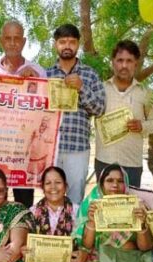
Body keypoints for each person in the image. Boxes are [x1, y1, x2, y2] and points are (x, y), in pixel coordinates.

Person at [0, 20, 46, 208]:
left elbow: (47, 110)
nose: (13, 43)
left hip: (25, 152)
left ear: (24, 42)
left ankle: (21, 237)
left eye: (17, 39)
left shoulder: (38, 71)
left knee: (23, 202)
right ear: (1, 41)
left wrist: (37, 82)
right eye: (8, 38)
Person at [75, 163, 153, 262]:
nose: (115, 185)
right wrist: (92, 222)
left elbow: (145, 247)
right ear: (101, 183)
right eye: (110, 181)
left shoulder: (137, 206)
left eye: (120, 181)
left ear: (126, 184)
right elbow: (85, 246)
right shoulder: (91, 205)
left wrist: (142, 225)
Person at [47, 24, 105, 204]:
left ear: (78, 44)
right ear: (56, 44)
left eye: (72, 42)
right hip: (51, 147)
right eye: (62, 42)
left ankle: (74, 232)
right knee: (51, 194)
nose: (67, 46)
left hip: (78, 148)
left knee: (75, 198)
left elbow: (100, 109)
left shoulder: (90, 75)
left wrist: (82, 88)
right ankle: (51, 232)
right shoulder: (46, 74)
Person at [95, 40, 153, 187]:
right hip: (104, 160)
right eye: (120, 60)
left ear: (136, 63)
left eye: (129, 61)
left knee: (130, 208)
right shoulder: (100, 89)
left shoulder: (146, 93)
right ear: (113, 62)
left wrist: (142, 126)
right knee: (104, 207)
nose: (124, 65)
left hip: (132, 163)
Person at [26, 167, 88, 262]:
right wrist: (26, 251)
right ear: (42, 187)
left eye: (58, 182)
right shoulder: (33, 212)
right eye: (48, 183)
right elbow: (26, 244)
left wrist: (83, 254)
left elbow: (86, 244)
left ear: (66, 186)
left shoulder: (78, 211)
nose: (53, 187)